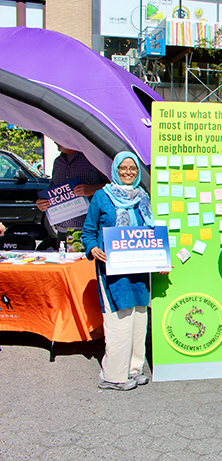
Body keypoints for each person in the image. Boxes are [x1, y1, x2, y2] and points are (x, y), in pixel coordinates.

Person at [82, 152, 154, 391]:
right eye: (123, 168)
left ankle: (134, 368)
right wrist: (93, 249)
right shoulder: (102, 197)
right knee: (120, 318)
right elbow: (88, 232)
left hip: (139, 269)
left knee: (139, 317)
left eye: (132, 168)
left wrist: (160, 259)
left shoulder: (142, 197)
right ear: (115, 170)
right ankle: (113, 375)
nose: (128, 172)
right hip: (112, 269)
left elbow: (151, 233)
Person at [36, 144, 109, 236]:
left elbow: (114, 186)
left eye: (58, 137)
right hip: (63, 229)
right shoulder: (58, 162)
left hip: (90, 228)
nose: (54, 141)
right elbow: (53, 188)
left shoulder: (93, 159)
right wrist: (43, 202)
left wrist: (92, 189)